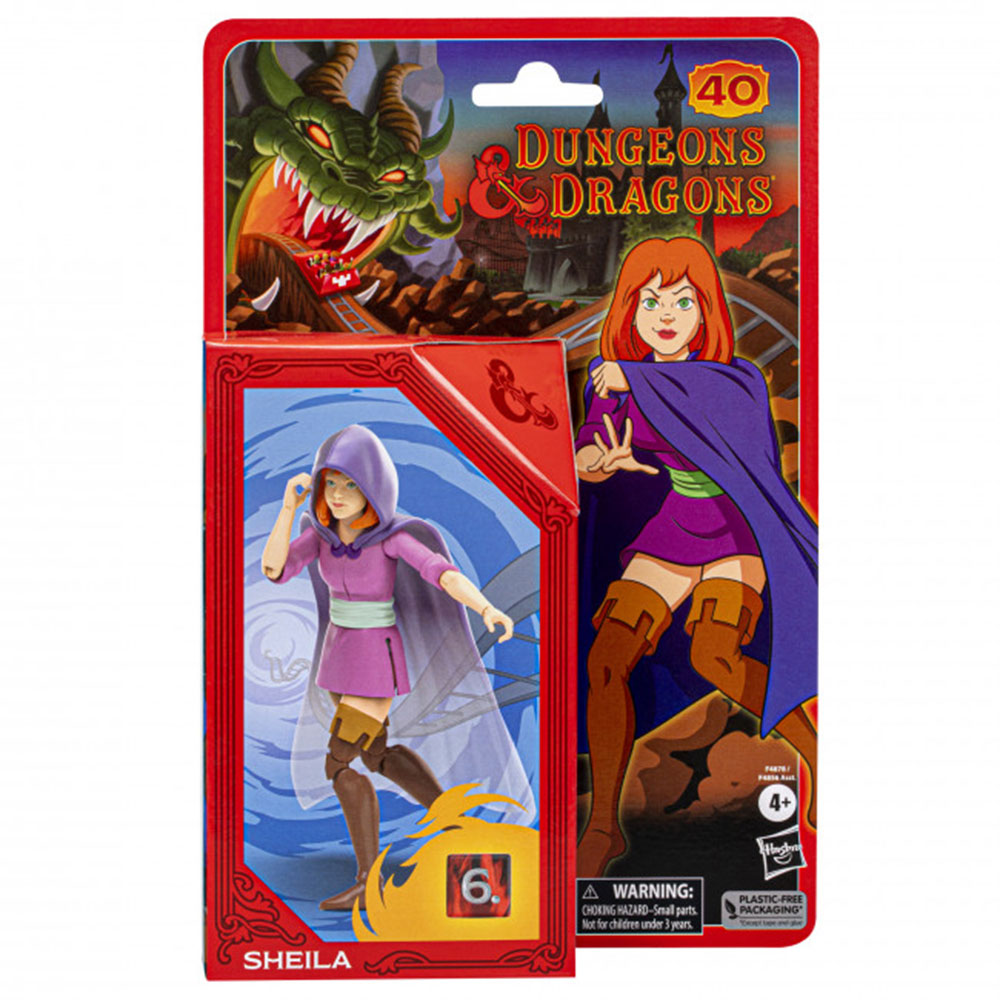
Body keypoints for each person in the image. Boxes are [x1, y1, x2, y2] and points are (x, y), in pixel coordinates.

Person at [575, 237, 818, 878]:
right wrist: (600, 463)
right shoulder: (613, 380)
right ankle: (603, 827)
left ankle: (819, 753)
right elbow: (588, 450)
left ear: (705, 310)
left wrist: (635, 377)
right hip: (673, 525)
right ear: (629, 309)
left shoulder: (736, 379)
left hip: (738, 525)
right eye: (650, 301)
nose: (666, 315)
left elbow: (709, 404)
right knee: (606, 661)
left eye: (683, 301)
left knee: (715, 655)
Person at [262, 424, 515, 909]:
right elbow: (274, 569)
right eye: (330, 483)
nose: (338, 495)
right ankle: (456, 826)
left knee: (339, 762)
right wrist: (289, 507)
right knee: (377, 754)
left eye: (350, 484)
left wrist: (485, 607)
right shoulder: (322, 538)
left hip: (375, 660)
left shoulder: (392, 538)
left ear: (373, 487)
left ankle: (368, 880)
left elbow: (441, 573)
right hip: (338, 658)